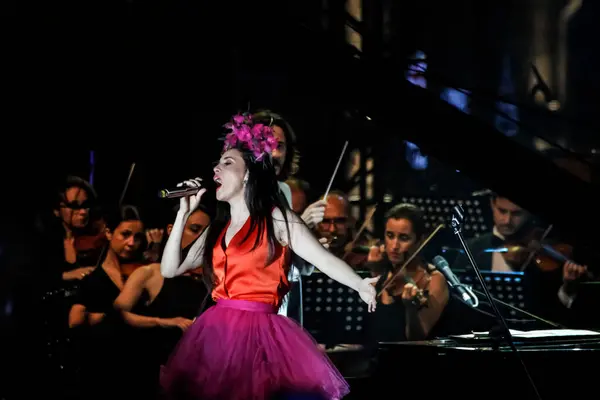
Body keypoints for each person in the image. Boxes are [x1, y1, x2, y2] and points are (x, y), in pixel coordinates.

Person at [159, 112, 378, 400]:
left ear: (248, 172)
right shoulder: (218, 227)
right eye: (217, 164)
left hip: (261, 333)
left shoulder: (276, 218)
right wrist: (183, 213)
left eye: (227, 163)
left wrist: (359, 285)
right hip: (217, 333)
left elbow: (322, 258)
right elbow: (170, 269)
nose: (216, 170)